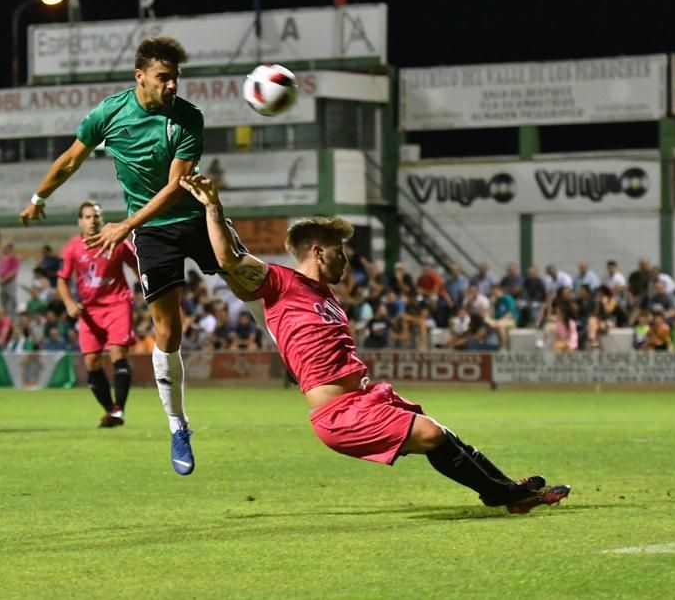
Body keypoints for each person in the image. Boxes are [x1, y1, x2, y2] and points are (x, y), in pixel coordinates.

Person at [179, 173, 570, 513]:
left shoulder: (327, 296)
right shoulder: (280, 284)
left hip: (364, 399)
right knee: (433, 435)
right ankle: (506, 494)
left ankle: (507, 491)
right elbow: (230, 260)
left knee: (440, 434)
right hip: (337, 414)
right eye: (339, 250)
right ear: (317, 251)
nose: (345, 259)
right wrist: (213, 206)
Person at [18, 36, 264, 474]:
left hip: (194, 219)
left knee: (252, 285)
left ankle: (311, 360)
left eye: (175, 78)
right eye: (163, 77)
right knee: (168, 331)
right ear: (141, 77)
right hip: (152, 233)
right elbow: (71, 159)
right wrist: (39, 197)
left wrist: (124, 226)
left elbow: (174, 188)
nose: (172, 85)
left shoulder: (188, 117)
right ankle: (178, 426)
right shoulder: (110, 113)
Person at [57, 201, 139, 428]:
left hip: (118, 304)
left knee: (117, 354)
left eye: (96, 216)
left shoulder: (117, 240)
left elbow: (137, 265)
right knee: (91, 362)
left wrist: (147, 290)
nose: (92, 220)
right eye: (87, 217)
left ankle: (119, 409)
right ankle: (111, 411)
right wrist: (69, 303)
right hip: (89, 310)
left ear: (101, 219)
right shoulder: (72, 248)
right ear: (80, 222)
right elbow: (62, 280)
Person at [0, 241, 20, 317]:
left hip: (10, 282)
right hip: (2, 282)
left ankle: (12, 317)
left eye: (5, 248)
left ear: (10, 248)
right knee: (3, 301)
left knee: (11, 299)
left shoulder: (14, 257)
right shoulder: (2, 258)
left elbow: (14, 270)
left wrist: (5, 278)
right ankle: (5, 317)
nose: (3, 249)